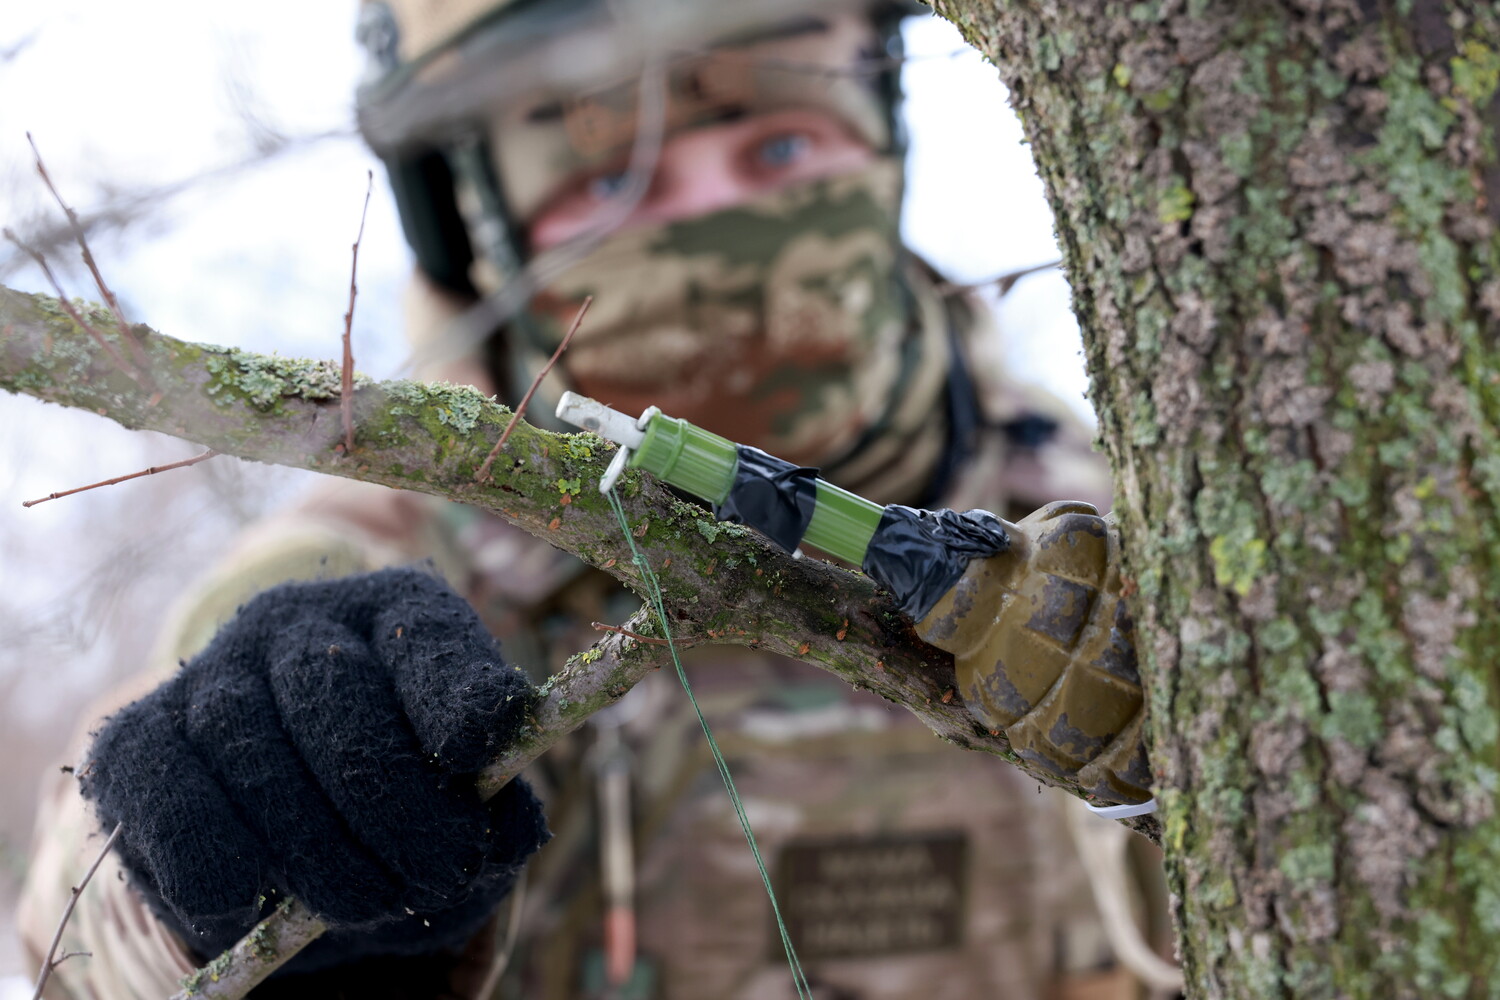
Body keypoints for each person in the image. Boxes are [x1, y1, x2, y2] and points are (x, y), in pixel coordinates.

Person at [19, 1, 1175, 997]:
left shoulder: (1131, 519)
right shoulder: (388, 568)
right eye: (612, 181)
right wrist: (227, 885)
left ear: (887, 146)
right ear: (470, 227)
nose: (712, 222)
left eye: (780, 149)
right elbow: (86, 921)